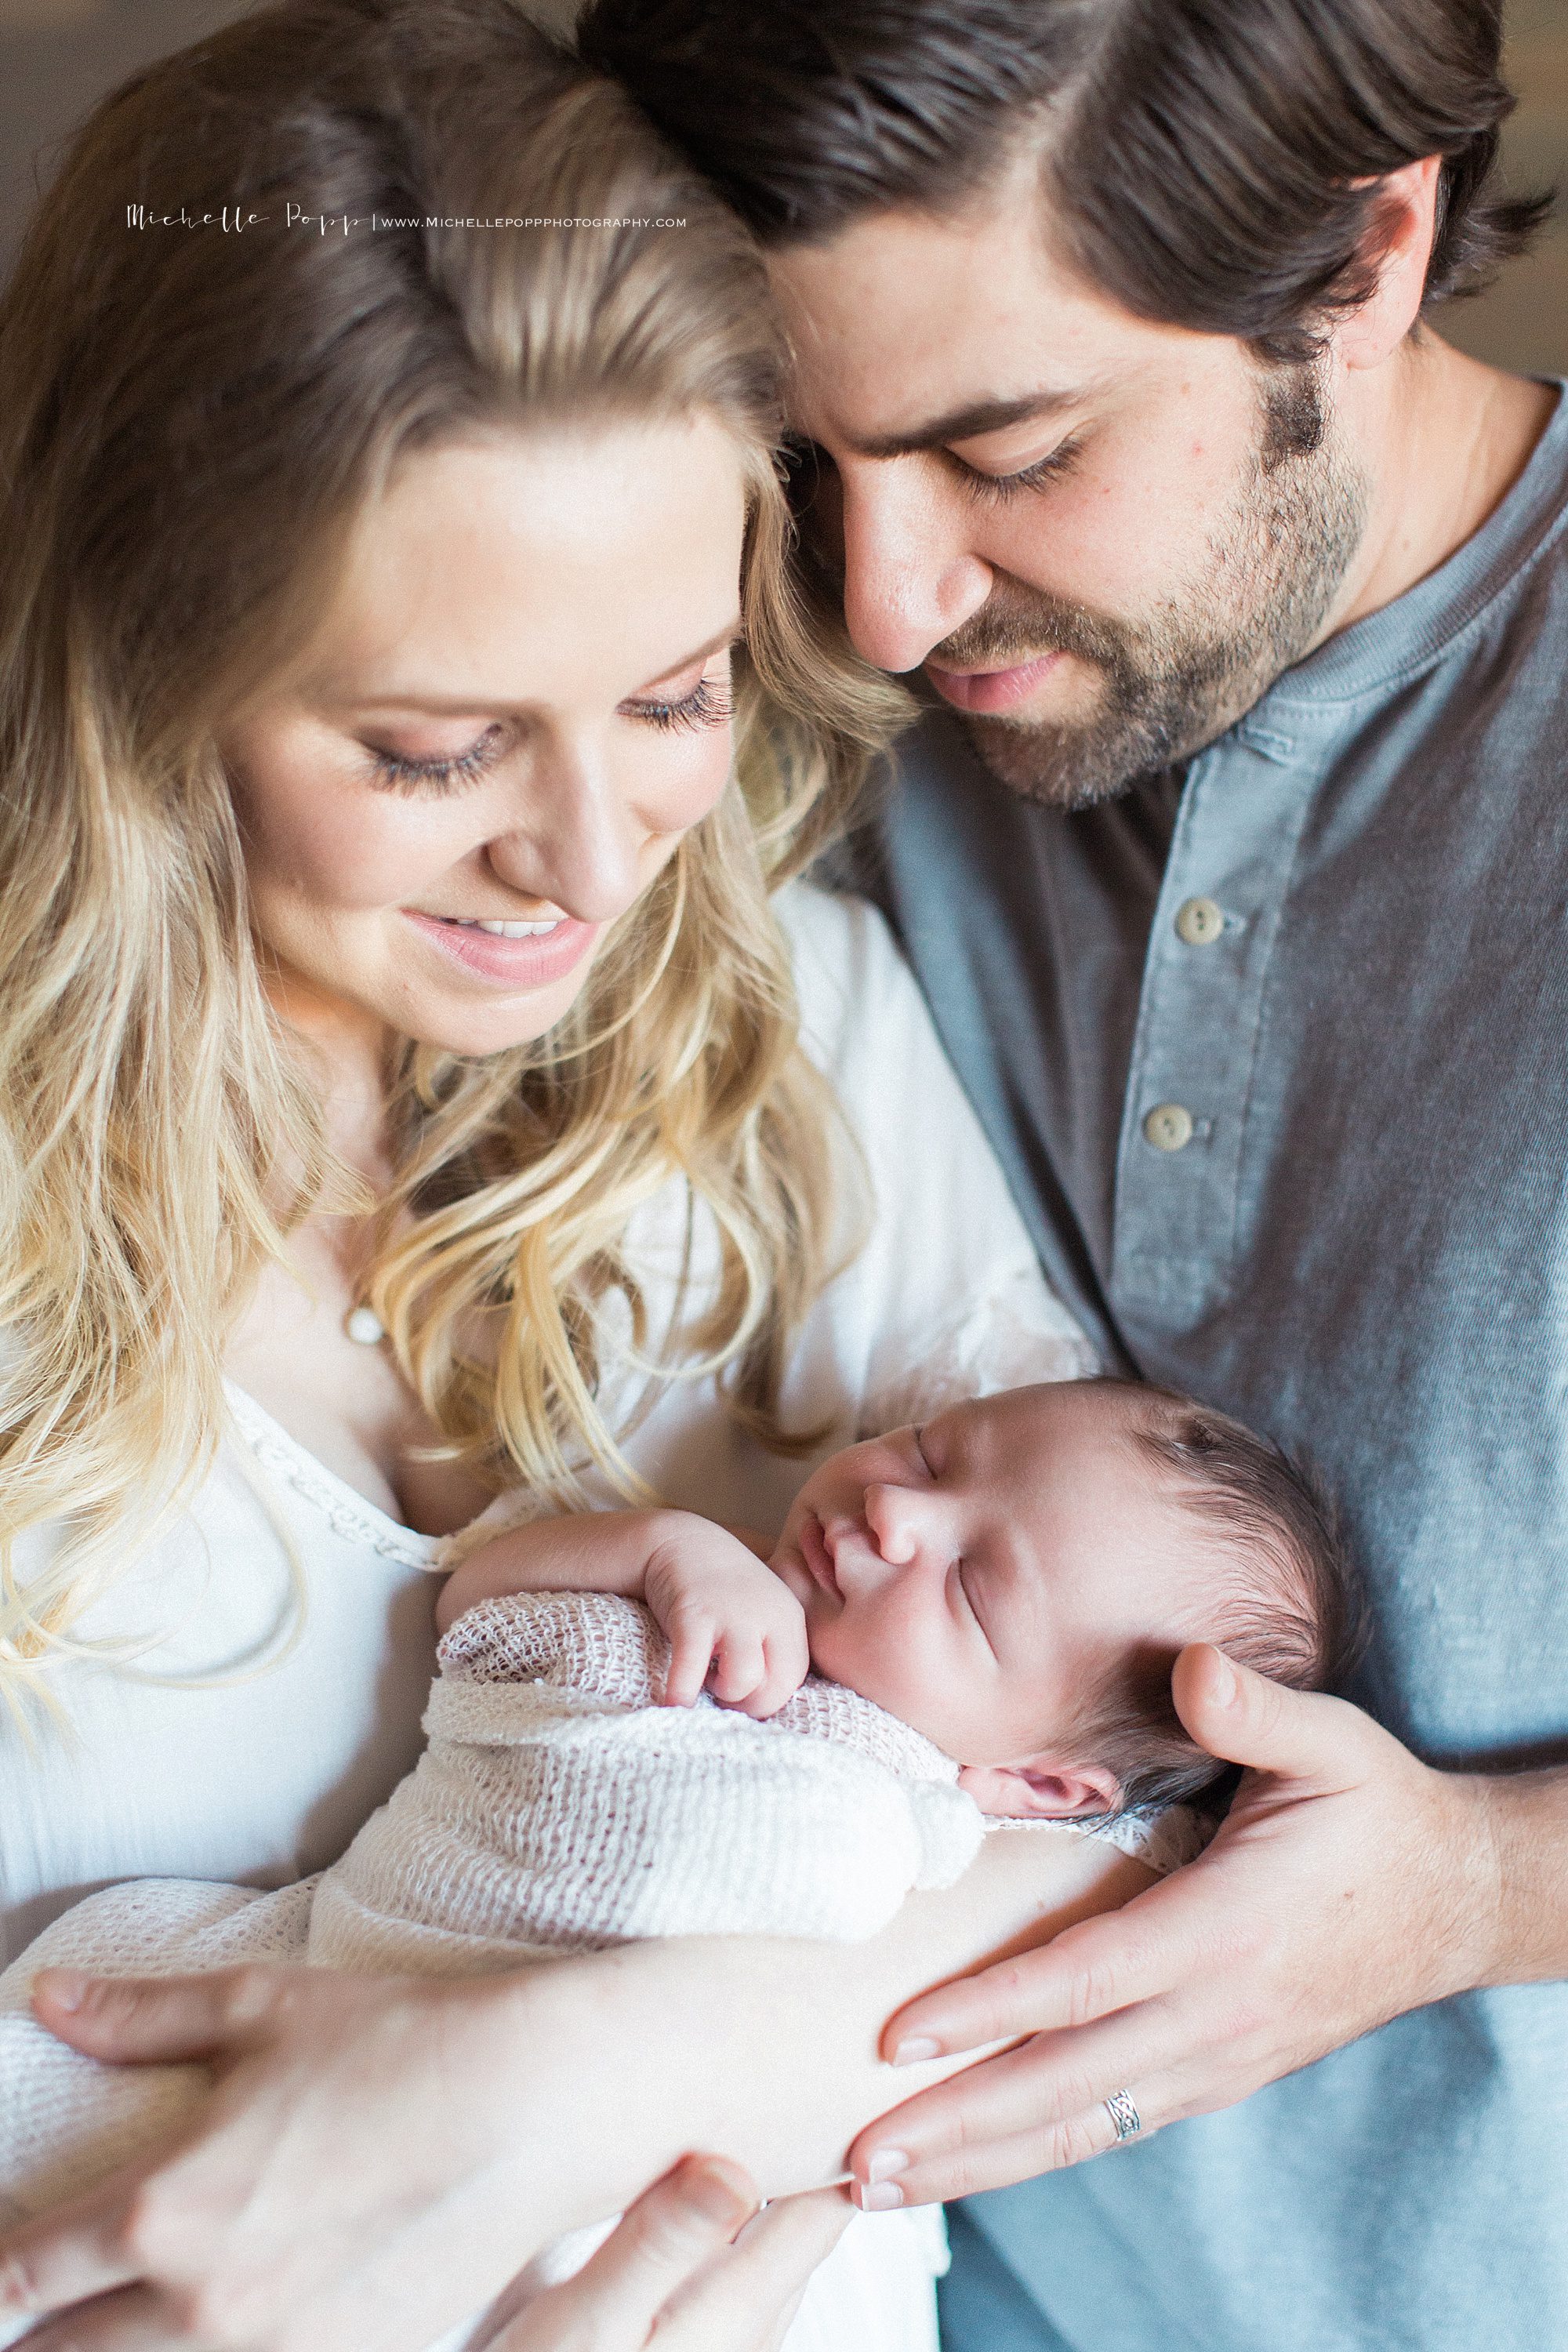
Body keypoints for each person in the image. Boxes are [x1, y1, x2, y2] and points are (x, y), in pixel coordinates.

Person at [0, 3, 1216, 2347]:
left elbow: (1139, 1803)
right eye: (436, 745)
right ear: (142, 664)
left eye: (674, 695)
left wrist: (557, 2079)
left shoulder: (794, 1032)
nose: (587, 863)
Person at [575, 1, 1568, 2347]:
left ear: (1366, 246)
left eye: (1005, 450)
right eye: (810, 457)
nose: (888, 605)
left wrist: (1480, 1890)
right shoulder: (769, 662)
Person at [18, 1365, 1363, 2343]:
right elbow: (485, 1623)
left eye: (969, 1588)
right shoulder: (704, 1638)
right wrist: (665, 1554)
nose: (897, 1514)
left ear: (1044, 1784)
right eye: (933, 1450)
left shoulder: (980, 1848)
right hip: (368, 1987)